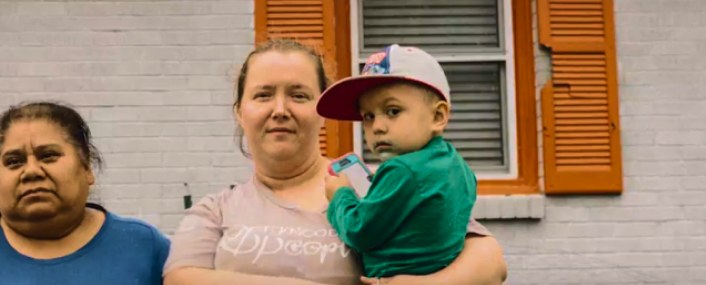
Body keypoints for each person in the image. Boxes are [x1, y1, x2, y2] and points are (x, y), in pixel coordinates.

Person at [163, 39, 507, 285]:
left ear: (322, 113)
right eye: (263, 95)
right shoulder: (216, 209)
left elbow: (489, 261)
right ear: (241, 112)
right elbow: (180, 278)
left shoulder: (377, 185)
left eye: (299, 96)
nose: (280, 110)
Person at [0, 102, 170, 284]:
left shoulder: (144, 247)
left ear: (86, 168)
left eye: (48, 155)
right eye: (13, 161)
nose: (31, 171)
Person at [317, 44, 478, 280]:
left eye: (393, 111)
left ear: (437, 116)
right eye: (368, 116)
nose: (378, 127)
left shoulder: (400, 169)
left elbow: (358, 231)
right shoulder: (459, 166)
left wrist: (340, 195)